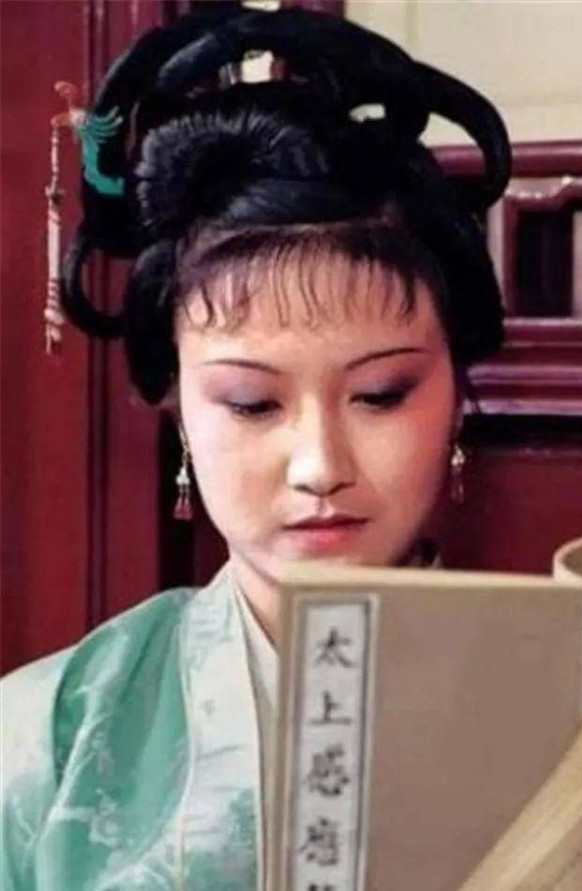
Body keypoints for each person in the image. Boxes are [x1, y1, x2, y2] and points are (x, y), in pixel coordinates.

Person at [1, 4, 511, 889]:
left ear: (455, 390)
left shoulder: (566, 707)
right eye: (252, 402)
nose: (320, 466)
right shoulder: (43, 737)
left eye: (381, 394)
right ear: (177, 402)